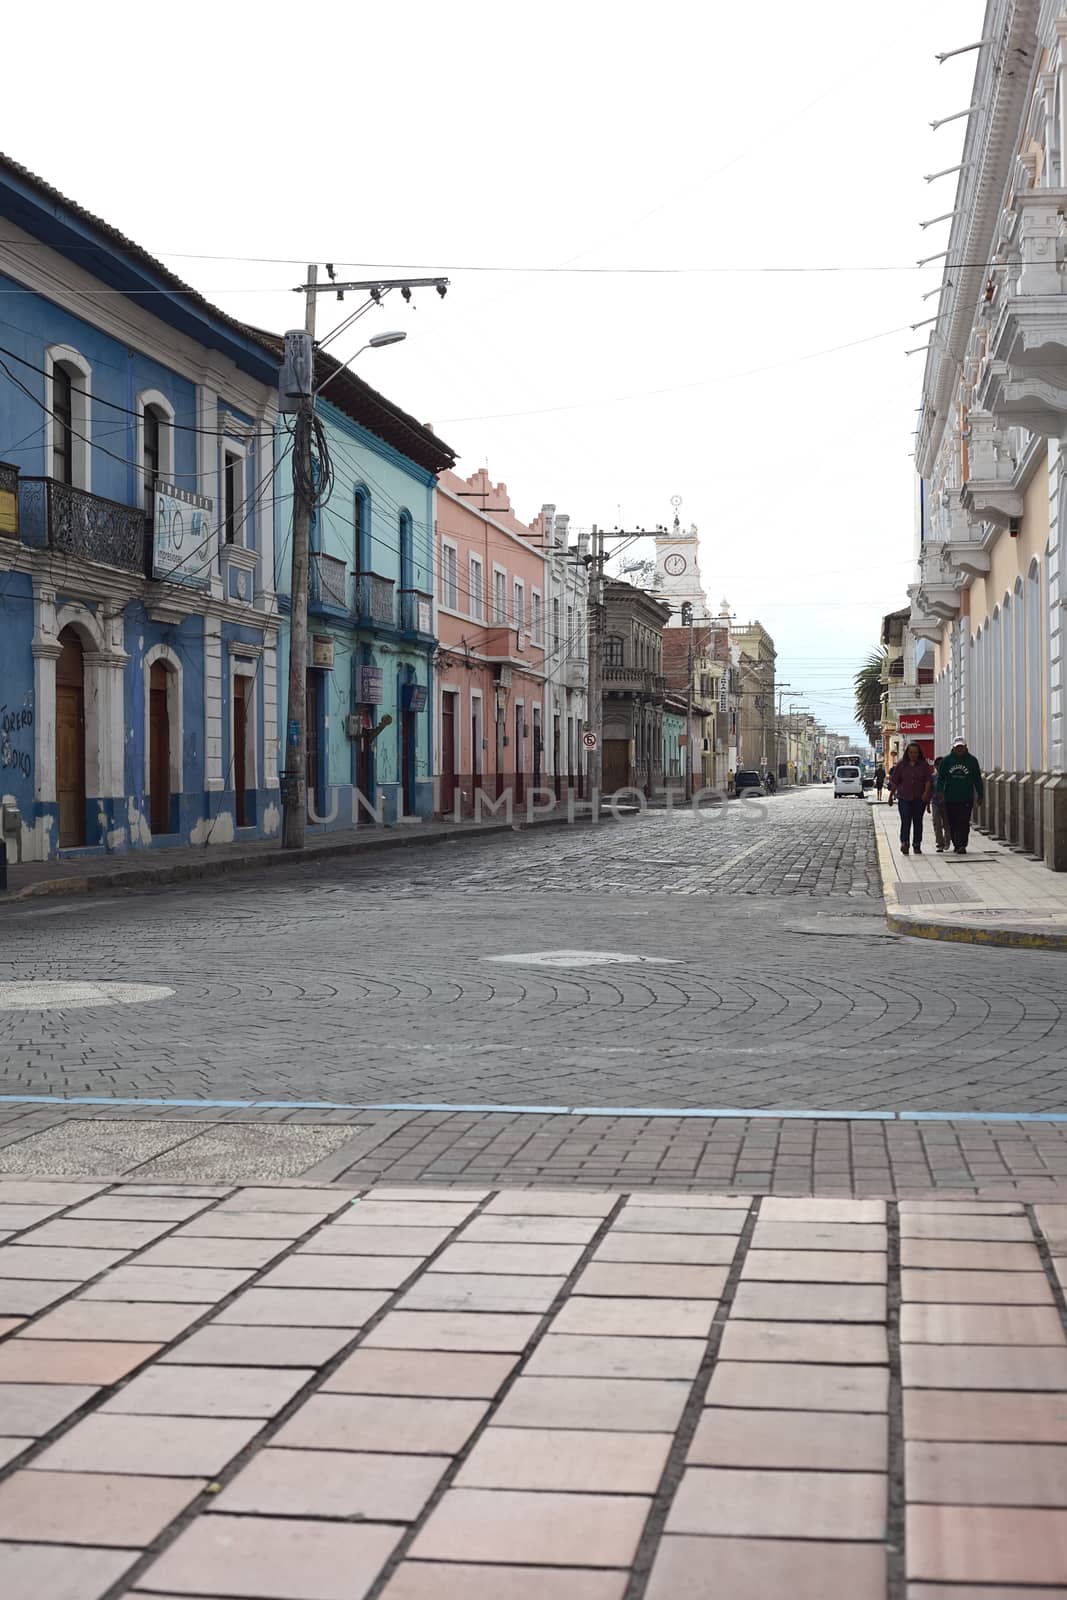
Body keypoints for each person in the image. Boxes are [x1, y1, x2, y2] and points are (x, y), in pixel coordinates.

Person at [936, 737, 984, 854]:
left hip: (966, 797)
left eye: (961, 747)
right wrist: (940, 791)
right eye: (957, 747)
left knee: (963, 821)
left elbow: (977, 779)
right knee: (952, 822)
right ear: (953, 747)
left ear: (965, 747)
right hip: (950, 797)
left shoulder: (972, 761)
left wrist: (980, 794)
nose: (959, 749)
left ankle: (962, 844)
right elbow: (941, 778)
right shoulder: (947, 761)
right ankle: (956, 843)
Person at [887, 742, 933, 854]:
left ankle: (917, 844)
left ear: (919, 754)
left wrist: (926, 793)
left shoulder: (924, 765)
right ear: (907, 753)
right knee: (905, 821)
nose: (913, 755)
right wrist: (891, 796)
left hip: (919, 798)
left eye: (915, 752)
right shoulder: (901, 765)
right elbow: (895, 782)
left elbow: (928, 781)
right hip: (904, 798)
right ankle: (905, 843)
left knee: (918, 822)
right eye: (911, 752)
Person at [929, 756, 949, 852]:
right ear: (935, 766)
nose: (940, 767)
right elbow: (930, 790)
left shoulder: (949, 777)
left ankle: (947, 841)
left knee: (947, 823)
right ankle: (939, 843)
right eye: (938, 765)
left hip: (947, 803)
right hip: (935, 802)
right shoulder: (933, 777)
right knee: (937, 823)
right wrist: (927, 805)